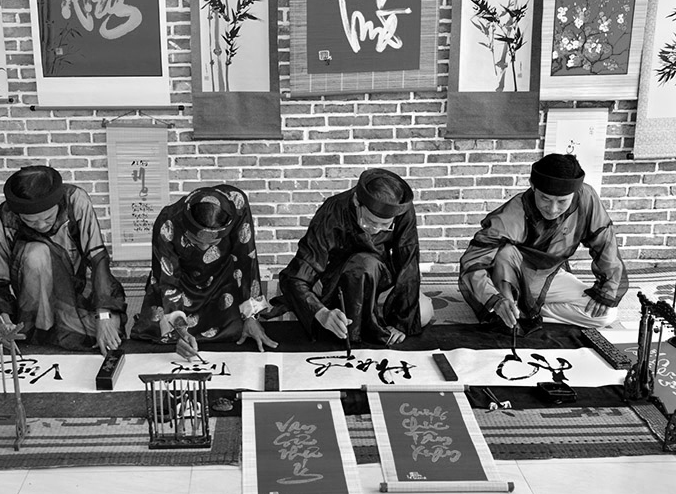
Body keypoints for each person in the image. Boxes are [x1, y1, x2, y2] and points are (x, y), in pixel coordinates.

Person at [459, 153, 628, 332]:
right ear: (533, 186)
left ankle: (527, 311)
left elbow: (605, 243)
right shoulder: (514, 213)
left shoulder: (586, 198)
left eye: (562, 201)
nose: (553, 209)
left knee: (606, 314)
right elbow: (473, 261)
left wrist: (608, 290)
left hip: (548, 275)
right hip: (508, 279)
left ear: (575, 192)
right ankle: (512, 308)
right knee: (505, 252)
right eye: (545, 199)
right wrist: (495, 299)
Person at [0, 165, 127, 355]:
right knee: (36, 253)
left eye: (48, 218)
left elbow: (97, 257)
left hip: (78, 285)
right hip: (34, 295)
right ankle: (43, 325)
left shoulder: (75, 200)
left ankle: (59, 324)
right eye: (31, 221)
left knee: (109, 330)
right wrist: (4, 321)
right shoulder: (5, 218)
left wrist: (104, 316)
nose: (41, 225)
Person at [276, 168, 434, 347]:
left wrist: (401, 323)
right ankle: (357, 314)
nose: (375, 229)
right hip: (335, 283)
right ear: (357, 201)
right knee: (362, 267)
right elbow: (297, 275)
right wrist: (321, 312)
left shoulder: (400, 210)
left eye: (384, 225)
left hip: (378, 279)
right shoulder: (332, 210)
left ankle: (368, 312)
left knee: (423, 313)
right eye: (370, 222)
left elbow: (408, 261)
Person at [130, 184, 276, 358]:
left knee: (236, 329)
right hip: (182, 283)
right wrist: (179, 329)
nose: (204, 248)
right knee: (160, 331)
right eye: (195, 240)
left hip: (221, 280)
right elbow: (167, 280)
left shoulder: (237, 204)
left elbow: (246, 259)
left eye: (213, 243)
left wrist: (251, 316)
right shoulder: (168, 221)